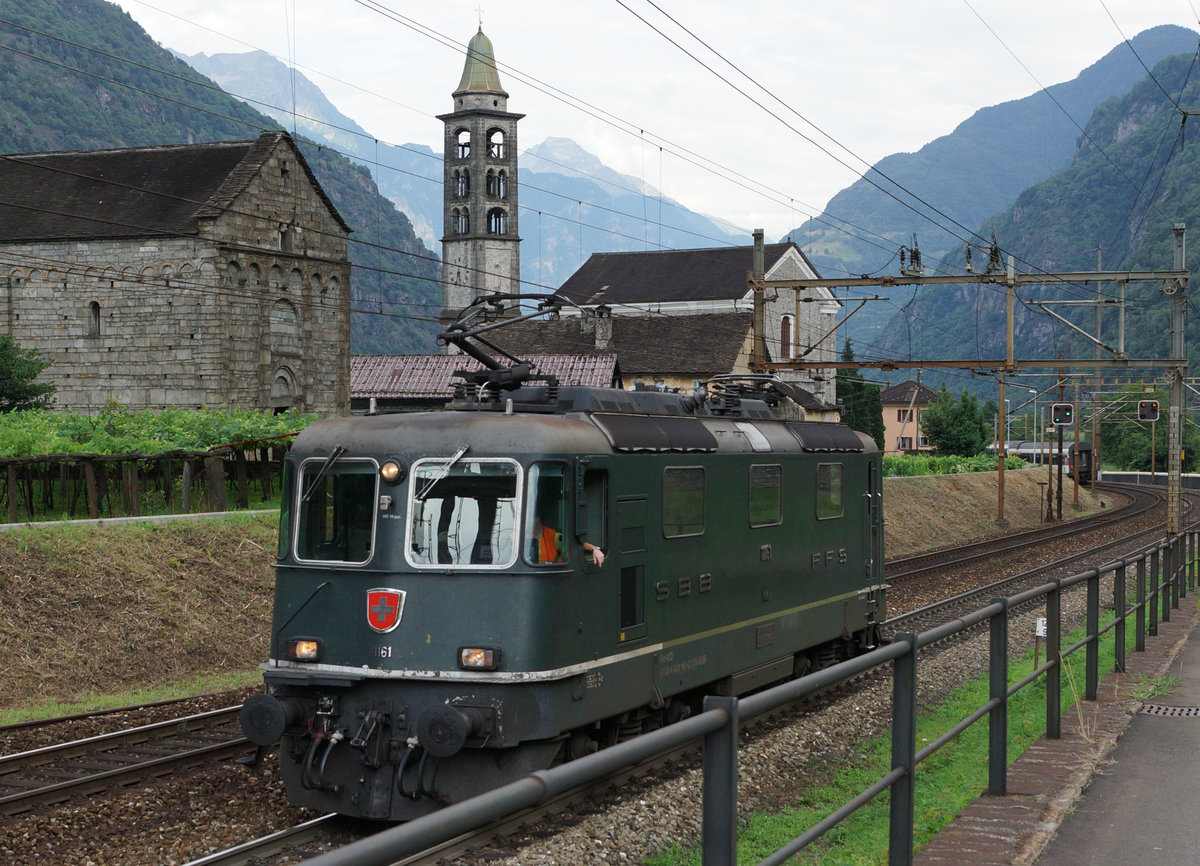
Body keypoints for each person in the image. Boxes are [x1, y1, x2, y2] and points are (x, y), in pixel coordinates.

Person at [531, 515, 605, 566]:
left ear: (538, 519)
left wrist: (594, 549)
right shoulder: (520, 534)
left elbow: (575, 545)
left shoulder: (553, 536)